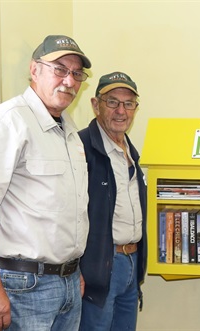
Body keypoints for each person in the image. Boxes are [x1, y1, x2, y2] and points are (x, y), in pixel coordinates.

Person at [0, 35, 91, 331]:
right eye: (59, 69)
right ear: (35, 70)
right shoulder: (8, 122)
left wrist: (73, 269)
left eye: (76, 74)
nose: (69, 81)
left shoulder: (69, 129)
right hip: (22, 287)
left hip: (68, 283)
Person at [78, 71, 147, 331]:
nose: (121, 111)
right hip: (101, 266)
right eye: (112, 102)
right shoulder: (81, 146)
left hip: (131, 264)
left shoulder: (130, 150)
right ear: (96, 105)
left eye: (129, 104)